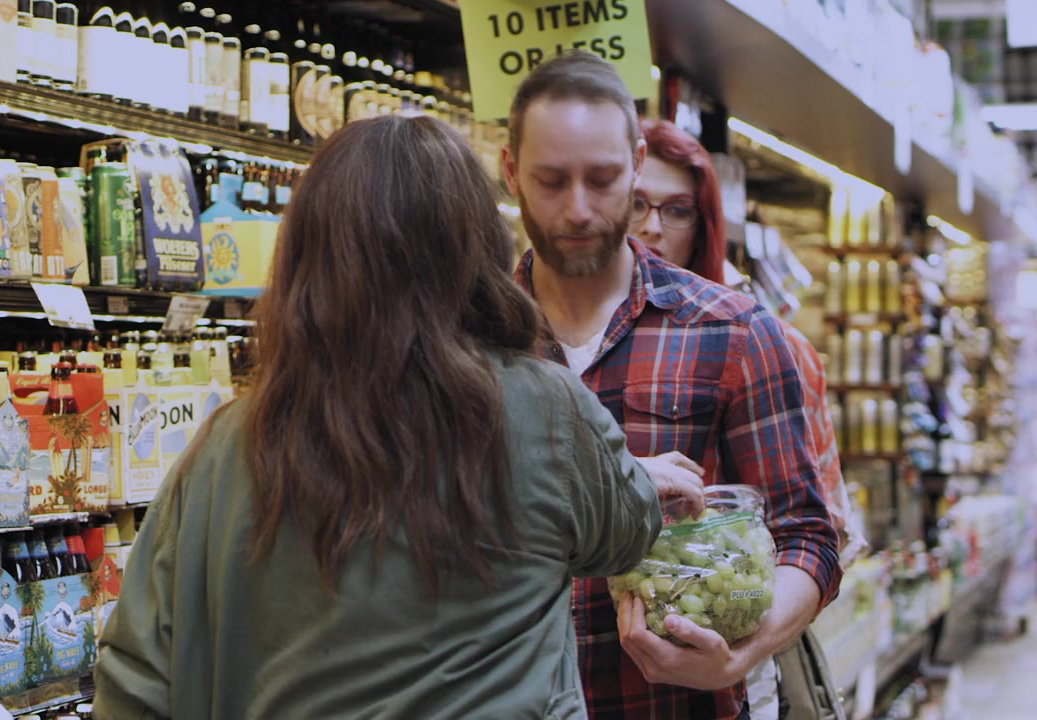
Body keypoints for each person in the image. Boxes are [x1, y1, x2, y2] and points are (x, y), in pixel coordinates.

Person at [93, 115, 706, 720]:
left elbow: (135, 679)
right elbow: (625, 533)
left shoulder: (225, 447)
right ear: (476, 248)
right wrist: (629, 476)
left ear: (304, 257)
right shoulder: (545, 409)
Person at [502, 51, 842, 720]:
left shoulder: (733, 331)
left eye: (603, 179)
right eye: (550, 180)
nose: (578, 209)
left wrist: (743, 654)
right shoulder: (469, 337)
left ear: (636, 163)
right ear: (511, 171)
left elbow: (808, 535)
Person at [631, 118, 867, 720]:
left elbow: (824, 531)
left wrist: (743, 631)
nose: (651, 227)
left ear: (704, 224)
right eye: (635, 202)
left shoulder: (761, 342)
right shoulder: (536, 333)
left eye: (676, 210)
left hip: (724, 675)